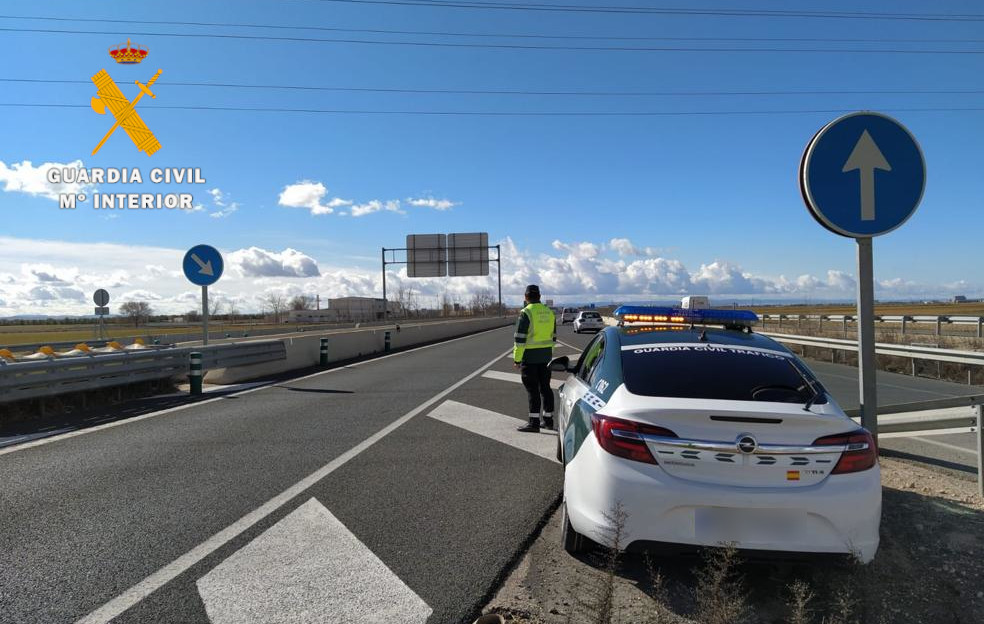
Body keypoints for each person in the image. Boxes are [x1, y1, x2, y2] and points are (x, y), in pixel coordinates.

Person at [513, 284, 557, 433]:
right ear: (539, 296)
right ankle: (548, 420)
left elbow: (520, 339)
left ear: (526, 297)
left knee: (533, 390)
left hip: (530, 358)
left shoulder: (526, 313)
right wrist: (548, 354)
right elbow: (554, 338)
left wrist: (517, 359)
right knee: (545, 388)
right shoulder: (549, 313)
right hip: (546, 357)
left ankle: (534, 423)